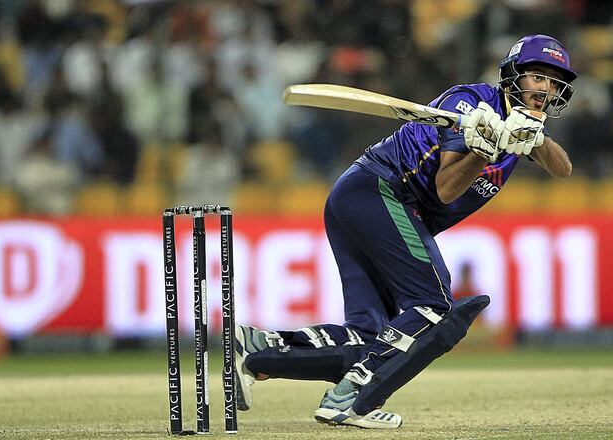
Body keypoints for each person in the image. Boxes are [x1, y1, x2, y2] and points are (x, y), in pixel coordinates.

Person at [233, 34, 577, 428]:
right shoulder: (468, 102)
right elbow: (447, 189)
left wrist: (533, 137)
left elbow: (563, 169)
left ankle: (260, 348)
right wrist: (483, 150)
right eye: (538, 78)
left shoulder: (522, 125)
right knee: (432, 304)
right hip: (379, 191)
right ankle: (348, 399)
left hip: (361, 200)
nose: (546, 89)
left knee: (370, 336)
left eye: (554, 83)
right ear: (513, 76)